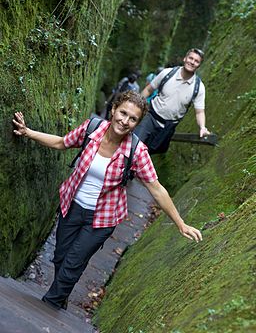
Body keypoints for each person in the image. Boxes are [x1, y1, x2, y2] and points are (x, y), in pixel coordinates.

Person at [13, 91, 202, 311]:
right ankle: (61, 295)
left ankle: (47, 309)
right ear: (113, 110)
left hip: (102, 217)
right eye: (123, 113)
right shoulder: (91, 128)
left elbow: (157, 189)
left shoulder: (136, 151)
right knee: (60, 257)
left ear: (137, 123)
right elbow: (61, 142)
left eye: (133, 119)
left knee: (73, 262)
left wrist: (180, 223)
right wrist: (28, 132)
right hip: (72, 205)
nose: (125, 121)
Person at [134, 48, 211, 155]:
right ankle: (123, 169)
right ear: (185, 58)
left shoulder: (198, 87)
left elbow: (200, 112)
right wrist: (136, 105)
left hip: (168, 127)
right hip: (151, 116)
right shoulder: (167, 73)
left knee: (151, 151)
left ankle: (134, 170)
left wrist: (202, 127)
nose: (192, 62)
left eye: (196, 61)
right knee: (135, 144)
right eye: (191, 58)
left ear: (199, 65)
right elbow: (148, 89)